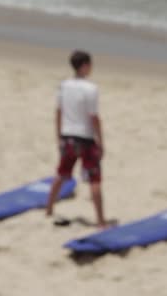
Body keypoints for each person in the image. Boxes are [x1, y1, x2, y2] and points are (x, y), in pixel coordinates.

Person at [45, 50, 107, 228]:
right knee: (94, 180)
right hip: (85, 138)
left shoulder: (64, 85)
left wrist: (59, 135)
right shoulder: (91, 89)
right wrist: (101, 141)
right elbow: (94, 117)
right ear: (85, 66)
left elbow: (58, 112)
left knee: (62, 174)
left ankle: (49, 208)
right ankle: (100, 220)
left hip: (68, 136)